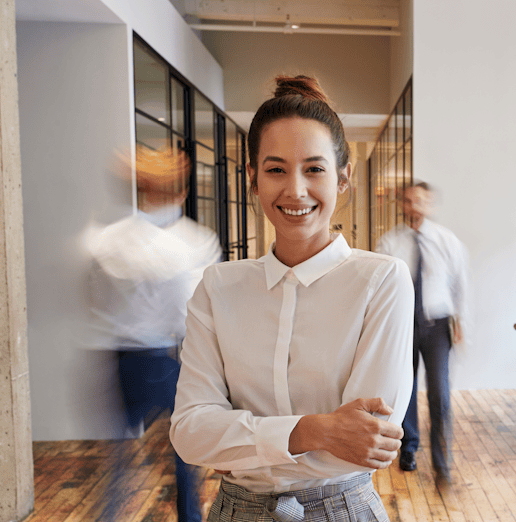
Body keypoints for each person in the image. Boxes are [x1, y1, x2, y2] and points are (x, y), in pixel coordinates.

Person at [170, 76, 414, 522]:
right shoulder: (218, 286)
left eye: (314, 169)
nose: (295, 190)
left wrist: (240, 445)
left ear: (343, 178)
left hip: (342, 509)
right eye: (276, 169)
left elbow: (369, 442)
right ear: (253, 179)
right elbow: (189, 433)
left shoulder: (381, 280)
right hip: (233, 512)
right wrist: (316, 430)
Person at [86, 147, 221, 522]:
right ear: (182, 193)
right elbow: (194, 312)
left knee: (116, 463)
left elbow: (95, 304)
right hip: (168, 357)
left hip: (117, 360)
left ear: (142, 191)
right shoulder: (195, 243)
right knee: (183, 458)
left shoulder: (107, 240)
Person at [376, 181, 468, 485]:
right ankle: (409, 449)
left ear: (430, 206)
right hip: (403, 325)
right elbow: (380, 287)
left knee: (440, 393)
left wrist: (461, 322)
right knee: (406, 389)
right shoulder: (390, 243)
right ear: (402, 205)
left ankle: (443, 462)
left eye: (420, 201)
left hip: (438, 324)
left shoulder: (446, 240)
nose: (414, 206)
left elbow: (459, 284)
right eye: (409, 201)